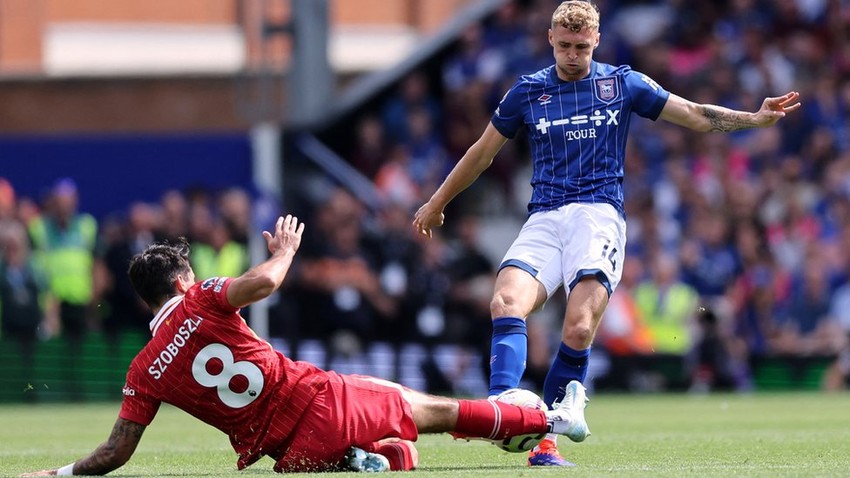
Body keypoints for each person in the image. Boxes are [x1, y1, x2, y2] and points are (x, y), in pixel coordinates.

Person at [413, 0, 801, 467]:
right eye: (564, 46)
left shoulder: (621, 84)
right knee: (505, 303)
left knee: (577, 326)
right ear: (550, 41)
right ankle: (504, 411)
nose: (572, 55)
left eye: (580, 46)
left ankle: (545, 442)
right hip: (544, 218)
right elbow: (481, 153)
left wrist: (751, 118)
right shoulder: (528, 93)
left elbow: (696, 114)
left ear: (596, 41)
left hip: (597, 215)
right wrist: (437, 203)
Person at [20, 214, 589, 477]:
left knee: (389, 445)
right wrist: (287, 248)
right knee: (429, 409)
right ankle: (543, 421)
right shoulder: (203, 299)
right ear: (179, 282)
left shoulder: (143, 368)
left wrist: (55, 475)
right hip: (319, 400)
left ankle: (369, 462)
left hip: (290, 457)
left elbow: (116, 452)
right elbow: (265, 282)